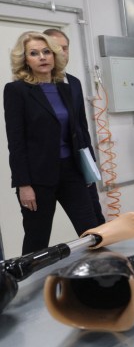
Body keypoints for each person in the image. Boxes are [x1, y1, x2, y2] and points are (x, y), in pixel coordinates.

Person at [3, 31, 98, 255]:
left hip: (72, 171)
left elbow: (80, 131)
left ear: (54, 55)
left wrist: (89, 169)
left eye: (46, 52)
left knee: (92, 231)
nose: (42, 57)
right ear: (25, 60)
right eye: (34, 53)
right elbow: (16, 141)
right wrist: (23, 184)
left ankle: (104, 273)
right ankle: (28, 277)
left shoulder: (66, 87)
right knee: (37, 239)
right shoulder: (17, 91)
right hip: (37, 179)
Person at [43, 28, 105, 225]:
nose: (62, 53)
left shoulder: (74, 82)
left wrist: (90, 165)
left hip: (77, 163)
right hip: (46, 169)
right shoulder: (30, 88)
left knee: (95, 220)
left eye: (65, 48)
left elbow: (81, 128)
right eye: (55, 48)